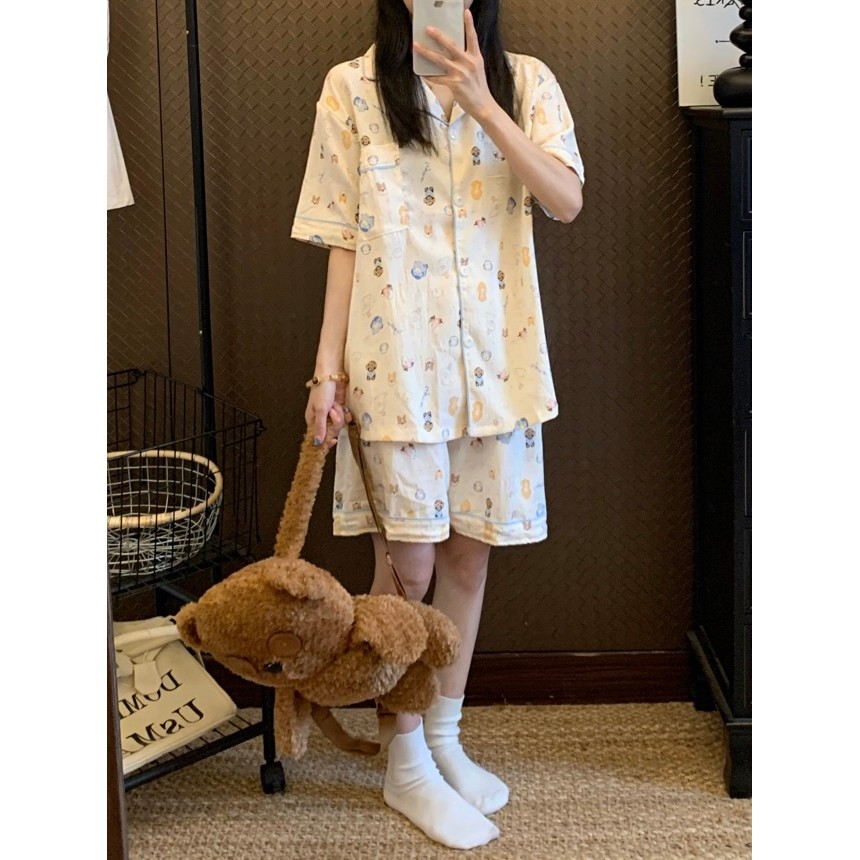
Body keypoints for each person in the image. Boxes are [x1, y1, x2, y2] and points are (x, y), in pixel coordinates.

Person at [291, 0, 584, 849]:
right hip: (395, 365)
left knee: (468, 555)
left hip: (498, 360)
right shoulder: (352, 89)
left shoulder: (527, 83)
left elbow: (565, 199)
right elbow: (343, 240)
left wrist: (485, 104)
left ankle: (445, 736)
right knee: (408, 567)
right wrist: (326, 372)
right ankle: (406, 756)